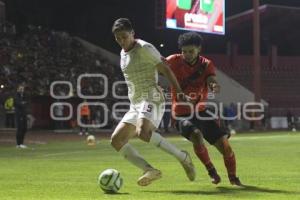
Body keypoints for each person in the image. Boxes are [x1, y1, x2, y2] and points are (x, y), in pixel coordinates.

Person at [110, 18, 195, 186]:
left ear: (132, 34)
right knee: (116, 140)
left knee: (143, 132)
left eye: (124, 37)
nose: (121, 41)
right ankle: (150, 170)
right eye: (117, 38)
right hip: (136, 103)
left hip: (152, 96)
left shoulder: (144, 48)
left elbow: (166, 69)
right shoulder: (122, 53)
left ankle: (183, 157)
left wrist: (179, 93)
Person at [166, 32, 242, 186]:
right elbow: (156, 67)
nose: (187, 55)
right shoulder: (173, 61)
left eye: (191, 51)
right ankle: (211, 171)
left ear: (199, 49)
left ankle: (233, 178)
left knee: (225, 146)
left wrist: (213, 85)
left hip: (201, 111)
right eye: (184, 51)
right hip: (180, 114)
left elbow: (211, 79)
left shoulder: (206, 64)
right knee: (196, 135)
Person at [14, 84, 28, 149]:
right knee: (20, 128)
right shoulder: (16, 95)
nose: (22, 90)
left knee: (25, 128)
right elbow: (19, 104)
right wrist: (23, 103)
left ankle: (21, 143)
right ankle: (19, 144)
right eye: (20, 89)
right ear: (18, 89)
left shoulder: (24, 95)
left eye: (22, 89)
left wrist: (23, 103)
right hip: (19, 114)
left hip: (24, 113)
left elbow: (26, 103)